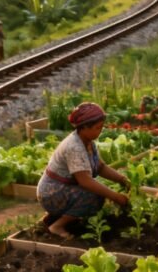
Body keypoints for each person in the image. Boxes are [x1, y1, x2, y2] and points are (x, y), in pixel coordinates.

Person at [37, 102, 130, 239]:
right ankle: (57, 226)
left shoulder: (88, 142)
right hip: (51, 193)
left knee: (99, 188)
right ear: (84, 127)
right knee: (94, 196)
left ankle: (54, 217)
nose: (100, 131)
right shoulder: (74, 147)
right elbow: (85, 182)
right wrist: (115, 197)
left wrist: (122, 179)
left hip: (62, 188)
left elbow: (100, 167)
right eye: (98, 128)